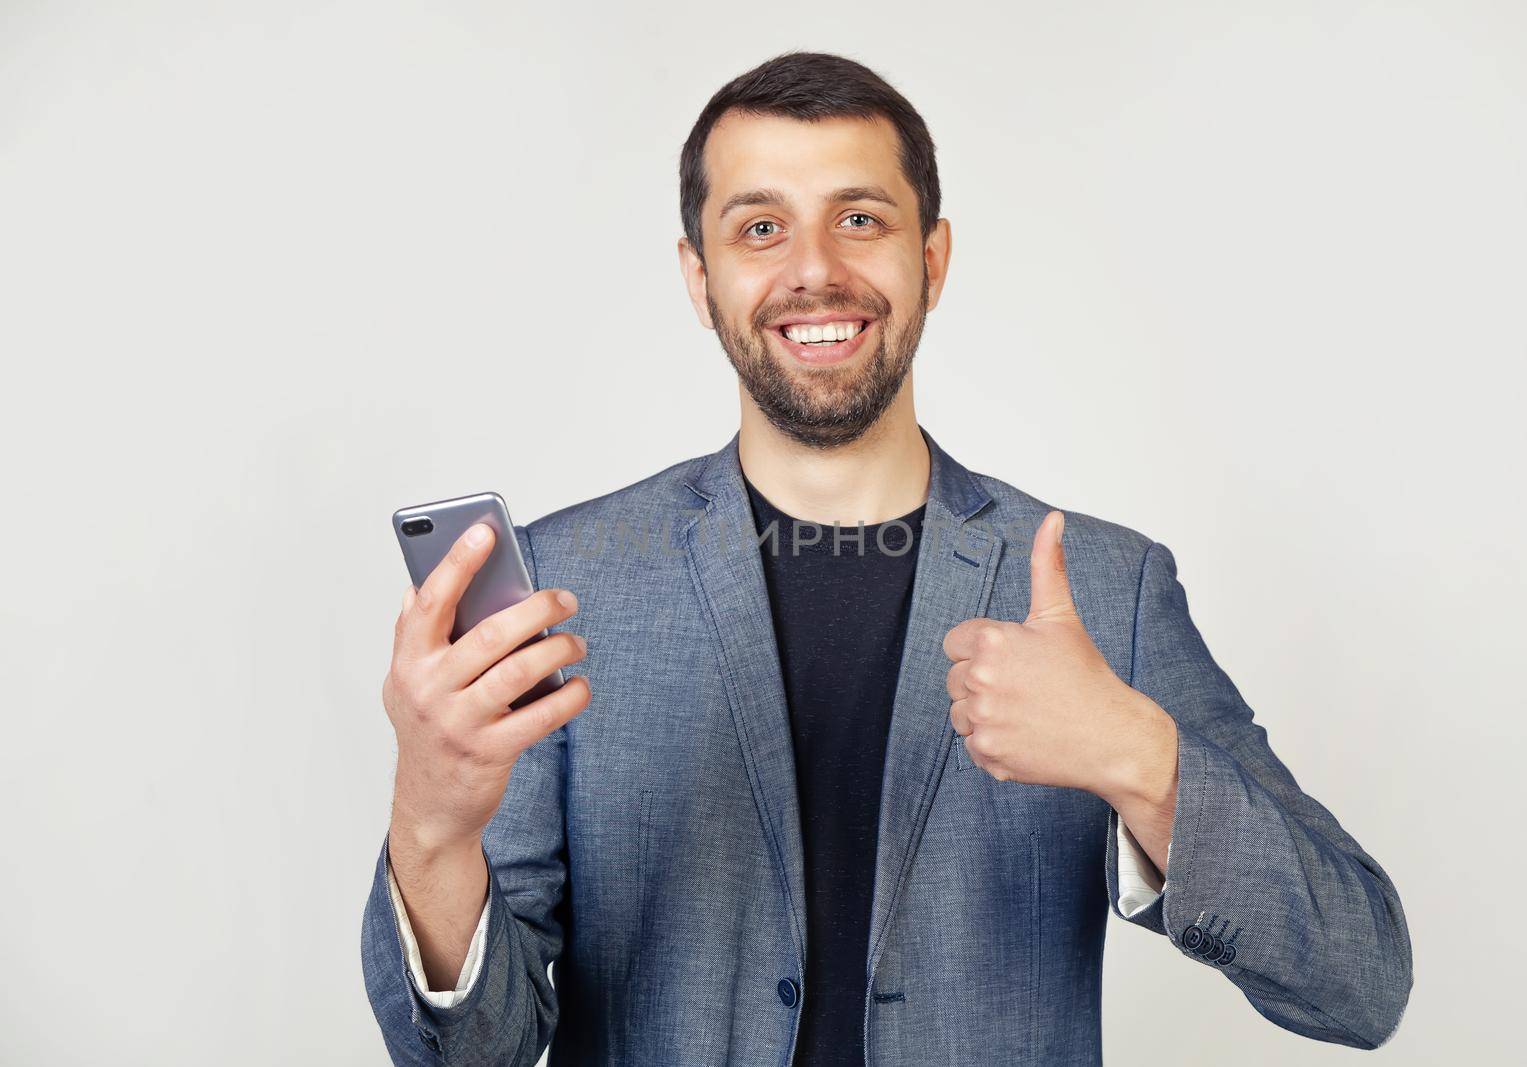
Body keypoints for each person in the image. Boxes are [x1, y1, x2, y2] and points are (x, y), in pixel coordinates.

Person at [360, 50, 1412, 1066]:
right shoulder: (563, 583)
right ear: (698, 276)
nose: (814, 270)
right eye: (760, 227)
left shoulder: (1104, 588)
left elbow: (1360, 981)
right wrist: (431, 822)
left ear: (932, 259)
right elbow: (471, 1051)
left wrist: (1141, 758)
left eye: (859, 219)